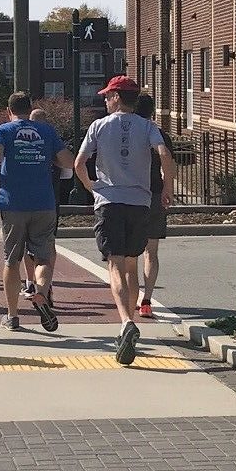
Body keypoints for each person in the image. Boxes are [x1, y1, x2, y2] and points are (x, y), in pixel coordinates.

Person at [73, 75, 173, 366]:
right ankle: (128, 325)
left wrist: (93, 188)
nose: (104, 100)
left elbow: (79, 164)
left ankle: (126, 321)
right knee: (131, 263)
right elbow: (165, 154)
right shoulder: (148, 127)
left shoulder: (99, 126)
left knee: (114, 263)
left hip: (110, 201)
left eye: (107, 96)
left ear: (117, 97)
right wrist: (166, 188)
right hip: (140, 202)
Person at [0, 92, 76, 334]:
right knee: (43, 258)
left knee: (11, 259)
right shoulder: (46, 131)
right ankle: (41, 292)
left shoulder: (3, 130)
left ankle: (12, 316)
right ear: (31, 108)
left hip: (13, 203)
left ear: (9, 111)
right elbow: (68, 161)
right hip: (44, 202)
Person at [135, 92, 175, 319]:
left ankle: (131, 298)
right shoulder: (160, 135)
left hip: (131, 196)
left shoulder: (128, 132)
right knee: (152, 251)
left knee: (129, 253)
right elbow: (169, 163)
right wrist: (167, 188)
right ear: (152, 111)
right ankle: (147, 299)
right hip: (155, 193)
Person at [21, 107, 60, 303]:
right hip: (49, 200)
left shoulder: (23, 140)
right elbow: (67, 171)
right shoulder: (52, 140)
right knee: (47, 246)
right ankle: (47, 286)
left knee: (27, 246)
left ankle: (30, 282)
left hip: (23, 199)